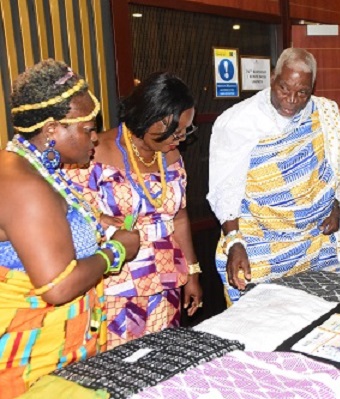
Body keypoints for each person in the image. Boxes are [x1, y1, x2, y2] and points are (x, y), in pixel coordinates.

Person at [0, 59, 139, 398]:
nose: (95, 137)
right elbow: (57, 287)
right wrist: (117, 251)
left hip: (60, 352)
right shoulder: (25, 185)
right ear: (51, 130)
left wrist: (99, 224)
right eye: (88, 129)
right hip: (30, 360)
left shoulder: (33, 165)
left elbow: (56, 221)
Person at [208, 48, 340, 303]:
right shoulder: (238, 121)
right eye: (284, 89)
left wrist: (334, 204)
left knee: (316, 320)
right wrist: (234, 242)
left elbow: (333, 166)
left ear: (312, 88)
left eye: (302, 92)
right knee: (259, 325)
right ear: (272, 78)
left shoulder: (322, 113)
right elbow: (224, 188)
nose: (292, 99)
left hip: (313, 246)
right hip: (261, 248)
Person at [68, 72, 202, 349]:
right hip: (117, 283)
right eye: (175, 131)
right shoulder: (93, 154)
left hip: (166, 281)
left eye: (185, 130)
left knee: (162, 362)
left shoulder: (171, 153)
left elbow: (179, 216)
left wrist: (192, 273)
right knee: (121, 366)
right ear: (149, 117)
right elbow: (74, 221)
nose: (180, 138)